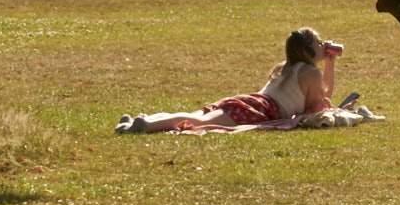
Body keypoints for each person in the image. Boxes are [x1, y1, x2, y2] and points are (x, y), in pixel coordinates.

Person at [116, 26, 363, 134]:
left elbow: (321, 98)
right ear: (309, 52)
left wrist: (330, 62)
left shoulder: (288, 67)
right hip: (262, 111)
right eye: (318, 44)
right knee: (198, 122)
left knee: (199, 117)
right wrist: (330, 65)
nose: (323, 46)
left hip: (250, 101)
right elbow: (320, 102)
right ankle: (145, 125)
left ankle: (143, 121)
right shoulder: (310, 73)